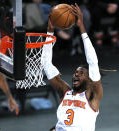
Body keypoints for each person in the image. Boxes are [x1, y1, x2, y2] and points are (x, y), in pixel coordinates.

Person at [42, 3, 102, 131]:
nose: (76, 74)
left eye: (81, 73)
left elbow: (93, 62)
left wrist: (81, 28)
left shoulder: (93, 95)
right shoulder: (65, 92)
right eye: (76, 72)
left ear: (89, 78)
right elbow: (46, 64)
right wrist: (50, 31)